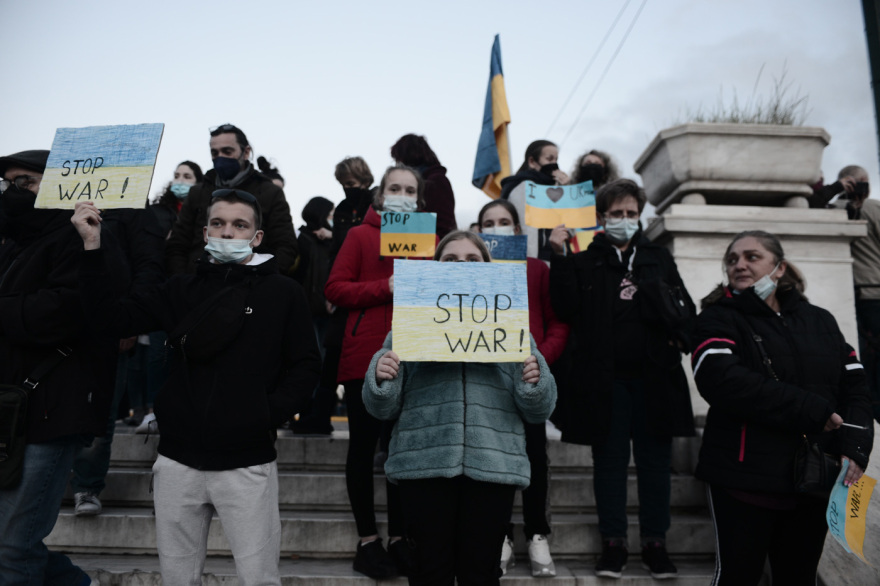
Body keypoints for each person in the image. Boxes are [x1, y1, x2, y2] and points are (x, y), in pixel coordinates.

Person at [70, 190, 321, 585]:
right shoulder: (180, 289)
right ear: (204, 233)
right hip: (177, 462)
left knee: (259, 578)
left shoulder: (283, 293)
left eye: (240, 225)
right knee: (177, 578)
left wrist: (264, 413)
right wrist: (91, 245)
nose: (228, 232)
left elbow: (306, 365)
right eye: (219, 224)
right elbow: (109, 318)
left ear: (257, 237)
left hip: (247, 460)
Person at [363, 230, 557, 585]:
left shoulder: (511, 325)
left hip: (493, 465)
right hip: (424, 464)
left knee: (481, 573)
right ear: (436, 269)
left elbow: (537, 411)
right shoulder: (410, 323)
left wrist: (535, 382)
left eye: (472, 260)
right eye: (450, 260)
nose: (461, 267)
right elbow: (382, 407)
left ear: (489, 268)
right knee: (428, 571)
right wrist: (381, 374)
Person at [691, 230, 874, 585]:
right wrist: (811, 409)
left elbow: (856, 387)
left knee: (798, 578)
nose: (739, 265)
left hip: (812, 480)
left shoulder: (820, 320)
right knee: (737, 577)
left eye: (751, 257)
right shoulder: (717, 318)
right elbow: (722, 380)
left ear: (779, 268)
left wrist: (855, 447)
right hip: (743, 479)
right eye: (732, 259)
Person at [548, 179, 696, 579]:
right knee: (609, 464)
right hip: (604, 382)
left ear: (640, 216)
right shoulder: (585, 259)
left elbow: (685, 308)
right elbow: (565, 307)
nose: (625, 220)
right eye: (617, 214)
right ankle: (612, 543)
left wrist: (674, 332)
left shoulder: (657, 258)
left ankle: (655, 544)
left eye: (632, 214)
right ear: (601, 217)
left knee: (654, 464)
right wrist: (559, 258)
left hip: (655, 379)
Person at [0, 149, 122, 585]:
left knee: (13, 548)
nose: (13, 193)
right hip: (13, 412)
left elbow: (64, 313)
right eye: (8, 183)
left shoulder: (87, 239)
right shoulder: (14, 243)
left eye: (24, 183)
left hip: (54, 412)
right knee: (14, 543)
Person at [324, 165, 432, 579]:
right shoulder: (359, 235)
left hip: (417, 358)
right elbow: (335, 288)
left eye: (409, 190)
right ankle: (368, 540)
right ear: (380, 195)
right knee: (364, 449)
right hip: (365, 357)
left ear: (419, 201)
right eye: (394, 188)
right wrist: (384, 287)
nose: (402, 194)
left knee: (402, 451)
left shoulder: (430, 240)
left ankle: (402, 538)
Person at [476, 199, 570, 577]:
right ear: (478, 231)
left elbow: (558, 323)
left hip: (529, 377)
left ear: (518, 231)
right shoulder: (470, 272)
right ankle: (499, 536)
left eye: (504, 222)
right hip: (487, 382)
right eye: (488, 223)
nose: (497, 228)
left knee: (534, 458)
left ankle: (537, 534)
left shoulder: (536, 270)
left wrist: (539, 360)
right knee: (492, 462)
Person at [165, 123, 298, 276]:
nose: (220, 157)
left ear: (246, 152)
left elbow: (286, 245)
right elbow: (178, 244)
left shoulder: (270, 192)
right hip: (199, 285)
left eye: (227, 151)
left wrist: (263, 281)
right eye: (215, 153)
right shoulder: (198, 192)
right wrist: (185, 282)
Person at [816, 166, 880, 423]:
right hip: (874, 292)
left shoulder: (833, 210)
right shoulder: (872, 208)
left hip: (850, 293)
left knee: (863, 358)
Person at [291, 196, 336, 435]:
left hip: (327, 313)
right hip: (307, 312)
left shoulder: (333, 240)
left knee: (324, 365)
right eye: (330, 213)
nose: (333, 218)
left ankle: (318, 415)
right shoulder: (303, 239)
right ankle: (305, 412)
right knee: (308, 363)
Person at [501, 140, 570, 261]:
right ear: (532, 162)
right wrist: (531, 265)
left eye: (556, 160)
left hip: (555, 258)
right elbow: (527, 229)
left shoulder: (552, 188)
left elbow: (569, 227)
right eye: (549, 159)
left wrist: (566, 191)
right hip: (538, 261)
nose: (554, 164)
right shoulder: (524, 187)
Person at [391, 134, 457, 238]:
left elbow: (444, 225)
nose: (397, 165)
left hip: (430, 249)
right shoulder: (427, 180)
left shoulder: (436, 181)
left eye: (397, 160)